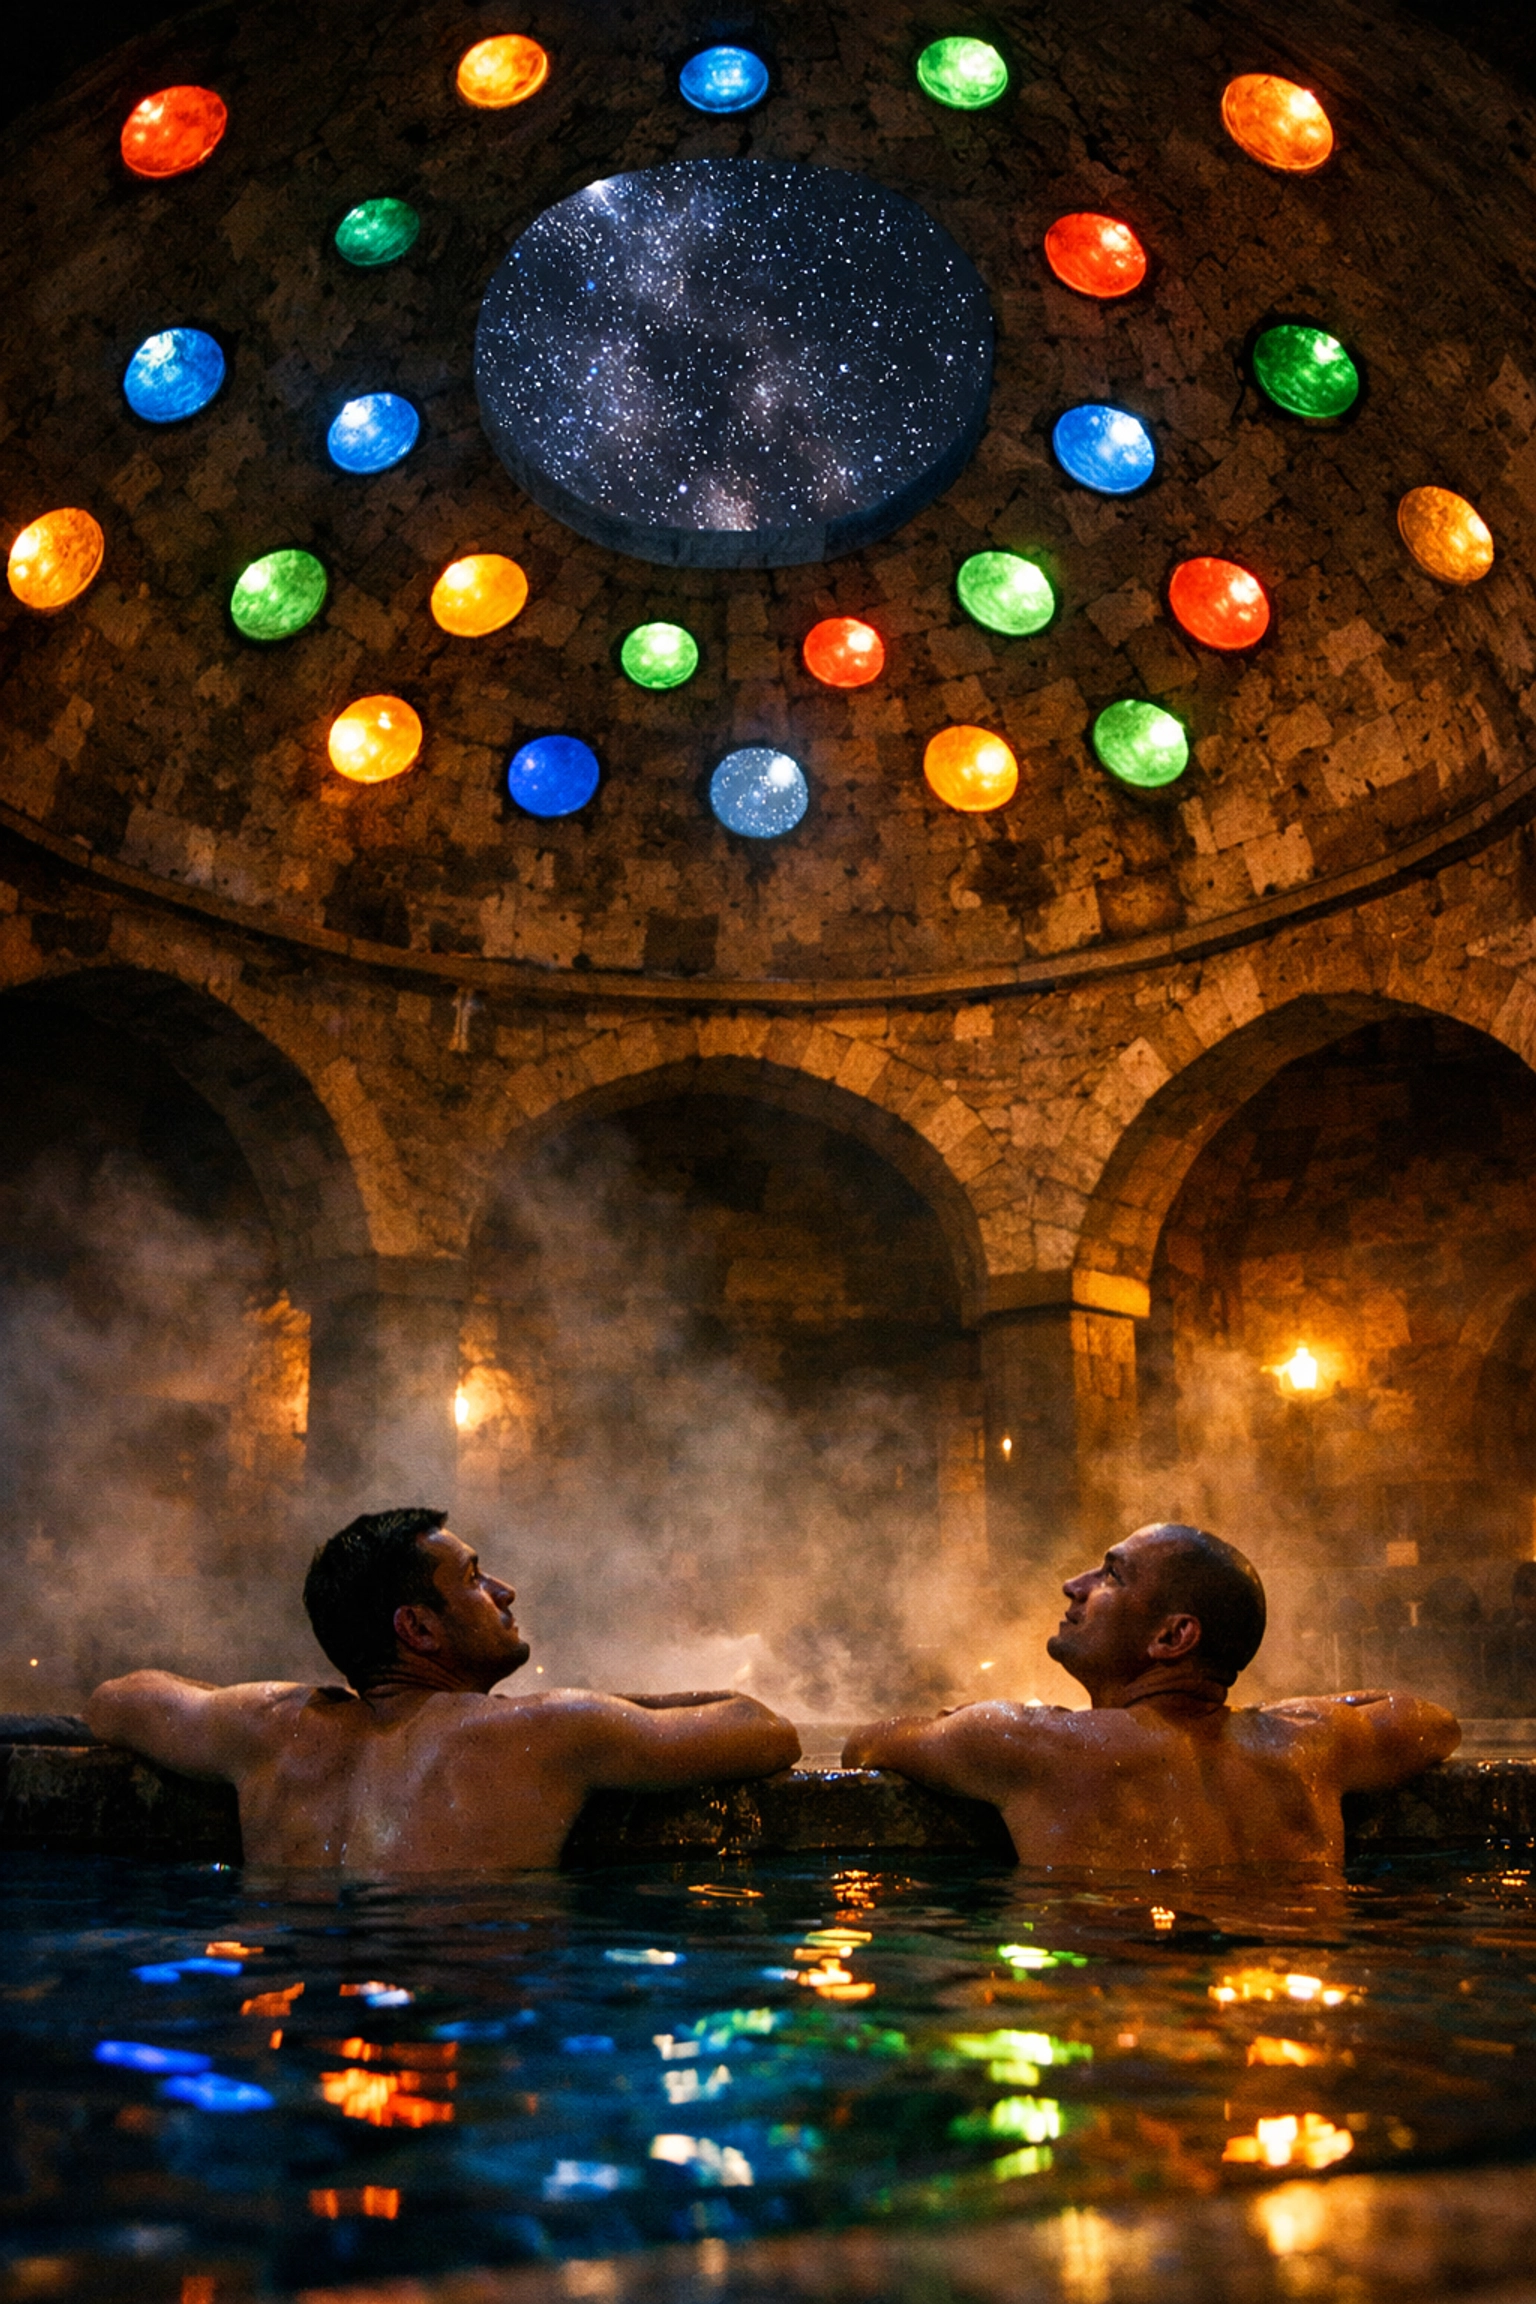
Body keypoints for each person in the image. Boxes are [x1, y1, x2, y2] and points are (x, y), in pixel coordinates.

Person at [87, 1507, 800, 1871]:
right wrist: (620, 1707)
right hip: (463, 2001)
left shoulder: (269, 1727)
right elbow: (767, 1731)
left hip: (314, 1989)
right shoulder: (545, 1732)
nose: (504, 1590)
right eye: (474, 1579)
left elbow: (118, 1697)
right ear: (419, 1630)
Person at [841, 1522, 1459, 1869]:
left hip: (1114, 2020)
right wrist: (1281, 1714)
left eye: (1111, 1575)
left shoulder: (1028, 1742)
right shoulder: (1309, 1744)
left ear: (1173, 1636)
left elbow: (864, 1744)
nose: (1073, 1585)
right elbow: (1431, 1720)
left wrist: (961, 1721)